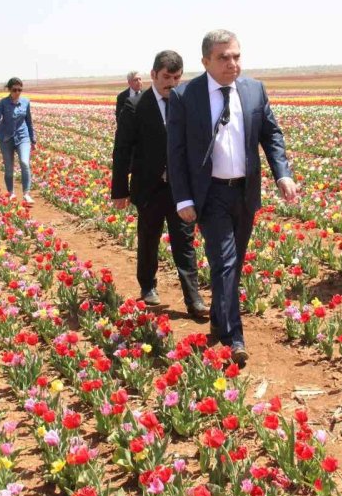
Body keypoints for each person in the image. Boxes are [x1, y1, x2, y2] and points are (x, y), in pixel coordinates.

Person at [168, 29, 298, 364]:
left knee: (234, 264)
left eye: (236, 56)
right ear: (206, 61)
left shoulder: (254, 90)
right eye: (224, 57)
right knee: (224, 262)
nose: (232, 63)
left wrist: (282, 174)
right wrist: (183, 199)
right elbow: (176, 151)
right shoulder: (186, 97)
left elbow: (272, 135)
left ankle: (218, 317)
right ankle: (233, 337)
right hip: (210, 194)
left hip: (244, 191)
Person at [111, 50, 208, 318]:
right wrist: (120, 189)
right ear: (153, 75)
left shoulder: (186, 104)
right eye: (166, 77)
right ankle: (148, 287)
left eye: (177, 77)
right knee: (149, 238)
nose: (172, 83)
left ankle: (194, 299)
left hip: (180, 190)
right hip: (149, 187)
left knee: (184, 242)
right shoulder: (135, 106)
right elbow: (122, 149)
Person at [0, 77, 37, 204]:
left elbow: (29, 122)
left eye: (19, 90)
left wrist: (33, 140)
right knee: (9, 168)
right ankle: (11, 193)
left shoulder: (26, 102)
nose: (17, 92)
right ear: (9, 90)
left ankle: (26, 193)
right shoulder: (3, 103)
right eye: (15, 90)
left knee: (24, 163)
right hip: (6, 139)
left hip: (23, 137)